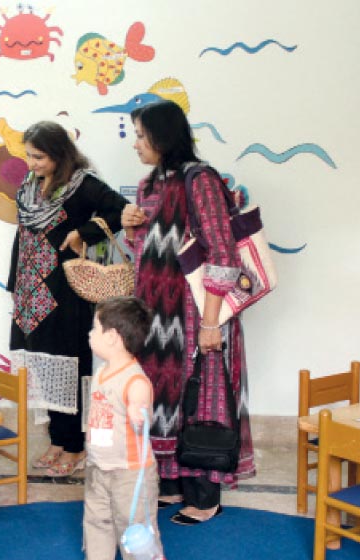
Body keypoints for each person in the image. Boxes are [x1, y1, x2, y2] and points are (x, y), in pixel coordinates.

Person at [122, 99, 254, 525]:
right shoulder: (148, 186)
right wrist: (130, 228)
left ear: (163, 136)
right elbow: (146, 253)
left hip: (197, 315)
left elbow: (222, 253)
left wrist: (212, 323)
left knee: (200, 402)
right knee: (162, 401)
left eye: (141, 135)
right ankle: (174, 482)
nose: (136, 144)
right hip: (156, 318)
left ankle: (205, 493)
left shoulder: (201, 181)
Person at [8, 121, 128, 477]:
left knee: (68, 367)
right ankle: (57, 440)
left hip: (64, 292)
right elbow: (24, 234)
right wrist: (17, 283)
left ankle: (75, 445)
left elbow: (120, 211)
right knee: (44, 368)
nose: (31, 163)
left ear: (60, 155)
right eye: (28, 155)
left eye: (39, 157)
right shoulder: (30, 185)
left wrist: (81, 233)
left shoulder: (82, 184)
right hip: (31, 291)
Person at [77, 296, 163, 560]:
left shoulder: (135, 382)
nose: (90, 335)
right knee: (97, 518)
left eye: (94, 329)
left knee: (135, 526)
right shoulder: (101, 372)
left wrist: (140, 414)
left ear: (112, 338)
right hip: (100, 465)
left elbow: (141, 413)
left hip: (131, 472)